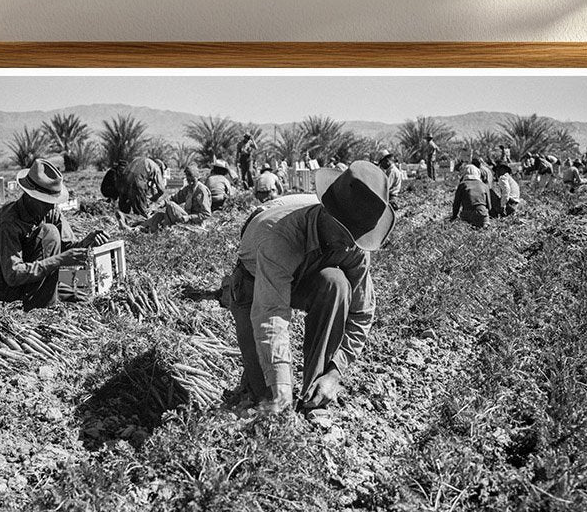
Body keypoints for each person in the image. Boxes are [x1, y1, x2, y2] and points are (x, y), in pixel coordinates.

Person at [227, 161, 395, 426]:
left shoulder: (353, 244)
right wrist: (281, 385)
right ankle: (258, 381)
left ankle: (314, 391)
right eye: (346, 233)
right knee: (268, 400)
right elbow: (272, 313)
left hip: (306, 271)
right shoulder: (280, 237)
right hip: (254, 279)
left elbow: (362, 311)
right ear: (327, 213)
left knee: (336, 283)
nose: (351, 243)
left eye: (357, 236)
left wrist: (335, 373)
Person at [0, 159, 107, 311]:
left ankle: (49, 293)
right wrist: (59, 260)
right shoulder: (9, 223)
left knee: (81, 294)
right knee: (49, 232)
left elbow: (67, 248)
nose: (51, 206)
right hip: (0, 283)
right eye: (46, 201)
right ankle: (41, 307)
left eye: (53, 201)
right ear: (30, 196)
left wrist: (86, 243)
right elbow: (12, 275)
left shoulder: (49, 211)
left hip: (32, 273)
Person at [135, 165, 212, 232]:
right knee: (159, 215)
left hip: (196, 222)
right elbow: (174, 198)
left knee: (171, 205)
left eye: (193, 180)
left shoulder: (201, 190)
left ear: (197, 178)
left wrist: (189, 217)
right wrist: (158, 205)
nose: (190, 182)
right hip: (186, 218)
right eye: (188, 179)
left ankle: (163, 229)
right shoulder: (188, 189)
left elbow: (206, 214)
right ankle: (140, 227)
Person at [103, 154, 166, 221]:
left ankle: (122, 219)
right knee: (141, 214)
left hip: (124, 182)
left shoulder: (139, 159)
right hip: (137, 183)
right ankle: (132, 221)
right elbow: (161, 190)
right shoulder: (156, 167)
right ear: (160, 166)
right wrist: (153, 198)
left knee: (124, 209)